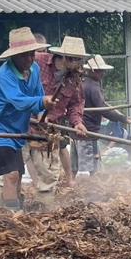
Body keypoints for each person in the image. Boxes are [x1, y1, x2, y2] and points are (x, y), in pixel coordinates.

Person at [0, 27, 54, 211]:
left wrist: (42, 118)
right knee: (11, 174)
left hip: (17, 128)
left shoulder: (35, 69)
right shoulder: (6, 75)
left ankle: (2, 210)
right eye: (24, 56)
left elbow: (38, 94)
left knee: (18, 174)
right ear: (13, 56)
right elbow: (19, 101)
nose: (29, 59)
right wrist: (42, 101)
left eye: (31, 54)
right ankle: (12, 216)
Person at [30, 35, 90, 190]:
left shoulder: (75, 78)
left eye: (79, 60)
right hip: (26, 122)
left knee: (50, 172)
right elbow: (23, 88)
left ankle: (44, 201)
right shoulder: (38, 61)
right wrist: (37, 110)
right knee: (17, 169)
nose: (77, 63)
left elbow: (76, 104)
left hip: (51, 128)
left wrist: (77, 122)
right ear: (64, 57)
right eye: (73, 59)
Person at [76, 54, 129, 175]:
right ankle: (89, 188)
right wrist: (121, 118)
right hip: (87, 130)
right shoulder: (92, 86)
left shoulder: (84, 83)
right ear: (93, 71)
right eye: (100, 71)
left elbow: (102, 104)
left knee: (87, 162)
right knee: (89, 167)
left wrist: (119, 116)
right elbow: (102, 109)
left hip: (81, 129)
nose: (102, 74)